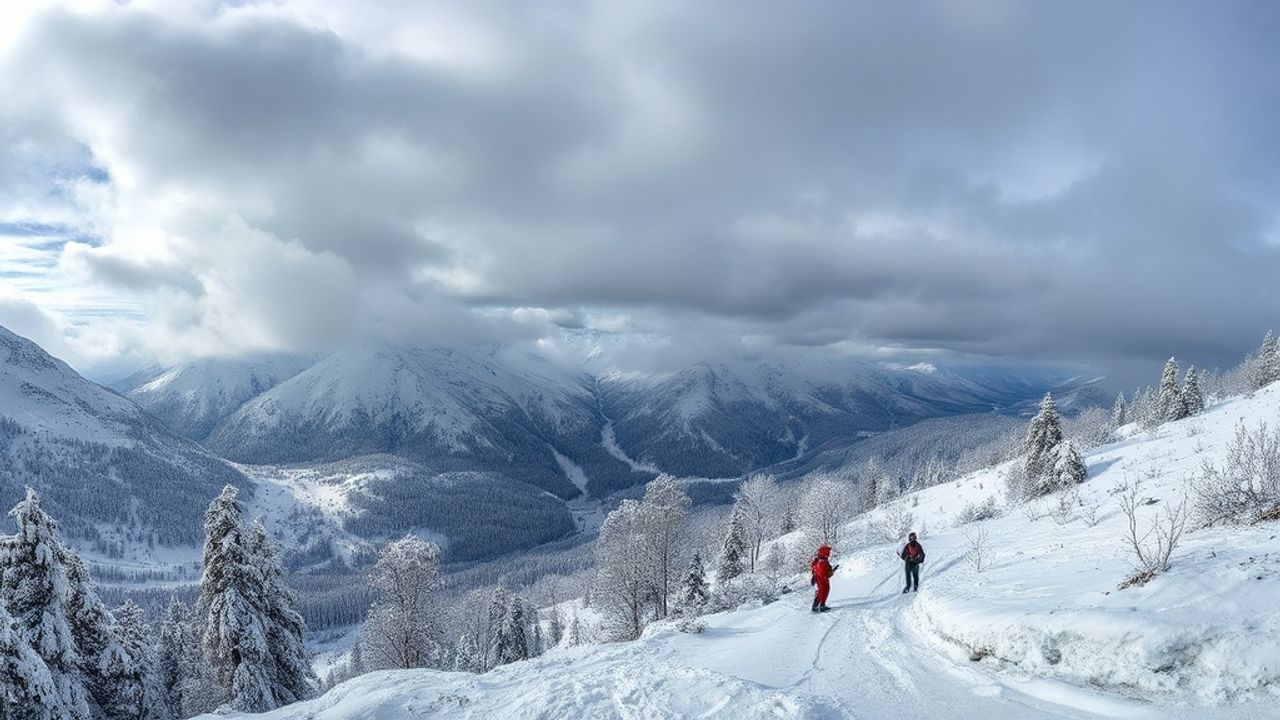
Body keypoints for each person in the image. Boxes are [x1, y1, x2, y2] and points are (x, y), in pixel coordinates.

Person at [810, 545, 837, 612]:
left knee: (823, 591)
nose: (829, 553)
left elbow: (816, 568)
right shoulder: (822, 561)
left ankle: (820, 605)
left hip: (820, 579)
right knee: (822, 591)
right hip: (822, 580)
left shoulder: (821, 559)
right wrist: (832, 572)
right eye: (828, 551)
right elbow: (824, 574)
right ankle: (818, 606)